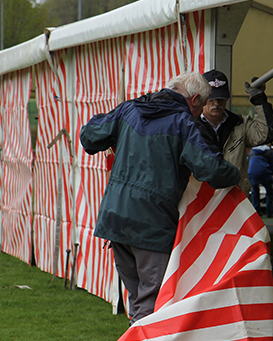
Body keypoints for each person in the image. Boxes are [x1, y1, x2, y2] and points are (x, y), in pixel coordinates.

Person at [80, 72, 241, 325]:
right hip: (151, 224)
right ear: (195, 99)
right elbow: (212, 169)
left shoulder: (130, 109)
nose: (199, 115)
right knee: (152, 303)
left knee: (137, 298)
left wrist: (118, 137)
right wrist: (236, 173)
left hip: (115, 218)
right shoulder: (183, 123)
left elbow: (89, 136)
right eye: (200, 109)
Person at [200, 70, 273, 195]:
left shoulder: (240, 123)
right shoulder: (189, 125)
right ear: (202, 97)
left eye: (221, 98)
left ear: (227, 98)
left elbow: (268, 133)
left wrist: (259, 99)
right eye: (212, 98)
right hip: (201, 200)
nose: (217, 103)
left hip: (235, 198)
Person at [248, 144, 273, 217]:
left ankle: (256, 211)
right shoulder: (269, 152)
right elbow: (271, 164)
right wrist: (271, 173)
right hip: (265, 172)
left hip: (252, 173)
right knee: (269, 191)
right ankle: (269, 211)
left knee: (255, 191)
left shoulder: (252, 152)